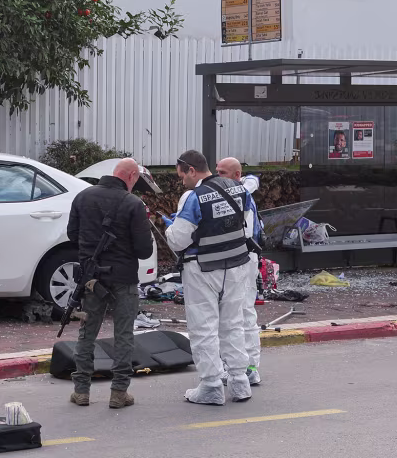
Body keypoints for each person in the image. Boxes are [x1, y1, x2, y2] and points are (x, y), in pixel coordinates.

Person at [165, 150, 258, 406]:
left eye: (182, 175)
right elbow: (247, 229)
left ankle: (211, 386)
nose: (182, 181)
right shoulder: (240, 190)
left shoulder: (192, 197)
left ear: (191, 171)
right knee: (233, 324)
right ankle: (240, 382)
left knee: (203, 327)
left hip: (202, 268)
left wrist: (169, 228)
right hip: (237, 265)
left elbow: (179, 239)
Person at [67, 157, 153, 409]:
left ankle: (81, 391)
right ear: (132, 176)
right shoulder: (133, 204)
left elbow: (73, 235)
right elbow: (144, 250)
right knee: (123, 334)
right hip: (124, 278)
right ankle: (118, 393)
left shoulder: (82, 197)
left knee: (87, 332)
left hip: (92, 278)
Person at [216, 157, 263, 387]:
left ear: (235, 175)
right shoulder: (242, 190)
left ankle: (247, 367)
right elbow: (253, 180)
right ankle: (245, 366)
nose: (217, 176)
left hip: (244, 258)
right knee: (240, 312)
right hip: (243, 258)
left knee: (242, 311)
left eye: (222, 172)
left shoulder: (240, 194)